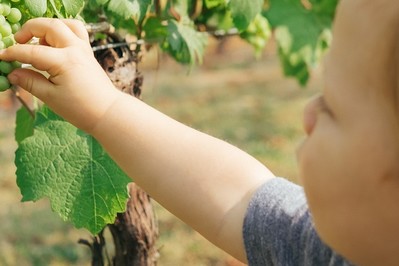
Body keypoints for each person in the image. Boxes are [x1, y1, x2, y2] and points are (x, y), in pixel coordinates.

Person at [1, 0, 398, 265]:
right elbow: (238, 197)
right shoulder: (332, 247)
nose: (309, 113)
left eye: (331, 104)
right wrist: (105, 109)